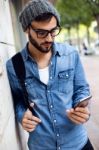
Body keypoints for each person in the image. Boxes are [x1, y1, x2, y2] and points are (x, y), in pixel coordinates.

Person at [6, 0, 94, 149]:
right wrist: (22, 116)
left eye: (53, 31)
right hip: (41, 145)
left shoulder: (71, 54)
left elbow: (81, 89)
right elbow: (18, 100)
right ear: (27, 29)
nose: (49, 38)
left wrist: (82, 108)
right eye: (41, 33)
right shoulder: (14, 65)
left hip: (78, 143)